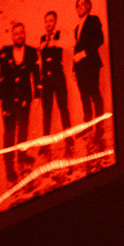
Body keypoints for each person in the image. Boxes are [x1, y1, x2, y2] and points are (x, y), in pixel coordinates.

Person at [0, 21, 39, 184]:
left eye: (21, 32)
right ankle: (9, 167)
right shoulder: (5, 52)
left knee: (23, 128)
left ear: (24, 34)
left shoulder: (32, 52)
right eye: (16, 33)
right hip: (8, 100)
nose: (19, 36)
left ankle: (22, 155)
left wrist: (37, 95)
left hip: (25, 99)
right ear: (12, 36)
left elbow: (35, 73)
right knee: (9, 133)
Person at [72, 0, 105, 152]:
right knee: (84, 96)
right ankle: (88, 125)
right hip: (80, 68)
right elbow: (76, 48)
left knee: (95, 95)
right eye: (77, 5)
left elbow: (99, 40)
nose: (80, 7)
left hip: (91, 65)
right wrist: (74, 68)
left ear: (88, 5)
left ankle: (99, 127)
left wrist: (83, 54)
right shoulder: (77, 28)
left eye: (82, 4)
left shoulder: (93, 20)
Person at [36, 10, 70, 150]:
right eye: (46, 21)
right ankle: (46, 144)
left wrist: (54, 43)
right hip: (46, 80)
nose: (48, 23)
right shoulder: (42, 38)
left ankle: (68, 139)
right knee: (46, 112)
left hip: (58, 78)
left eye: (51, 21)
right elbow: (39, 59)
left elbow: (67, 44)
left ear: (55, 22)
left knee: (63, 108)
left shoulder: (60, 35)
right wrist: (40, 48)